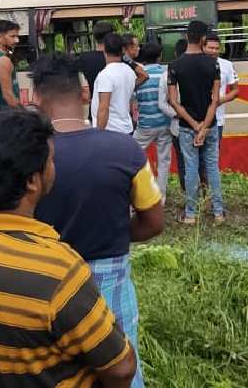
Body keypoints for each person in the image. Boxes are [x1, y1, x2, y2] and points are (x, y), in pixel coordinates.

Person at [0, 110, 136, 387]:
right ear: (31, 181)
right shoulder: (58, 270)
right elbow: (120, 368)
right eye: (50, 160)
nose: (53, 166)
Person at [32, 54, 163, 388]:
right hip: (111, 283)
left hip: (45, 282)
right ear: (85, 93)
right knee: (120, 361)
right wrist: (117, 232)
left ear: (35, 98)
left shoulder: (28, 156)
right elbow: (153, 222)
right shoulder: (125, 150)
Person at [168, 20, 222, 224]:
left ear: (186, 37)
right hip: (210, 125)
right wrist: (205, 126)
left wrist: (194, 125)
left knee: (190, 168)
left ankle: (190, 214)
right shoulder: (213, 63)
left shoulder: (174, 65)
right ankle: (218, 212)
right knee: (212, 167)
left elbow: (173, 101)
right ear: (202, 39)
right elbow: (215, 99)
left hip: (186, 127)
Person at [133, 43, 174, 200]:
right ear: (160, 56)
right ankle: (160, 197)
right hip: (165, 124)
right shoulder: (165, 74)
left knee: (132, 156)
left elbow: (133, 100)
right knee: (163, 161)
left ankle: (137, 195)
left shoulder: (139, 76)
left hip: (145, 126)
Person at [203, 32, 239, 164]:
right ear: (203, 47)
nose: (214, 51)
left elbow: (235, 91)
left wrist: (218, 101)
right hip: (195, 120)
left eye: (217, 48)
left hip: (216, 120)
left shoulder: (227, 65)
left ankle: (209, 184)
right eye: (210, 48)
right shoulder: (195, 63)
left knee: (212, 157)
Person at [93, 32, 137, 134]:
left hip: (111, 131)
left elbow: (103, 108)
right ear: (122, 50)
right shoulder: (129, 71)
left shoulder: (105, 75)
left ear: (104, 50)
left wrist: (99, 135)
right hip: (127, 128)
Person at [166, 38, 189, 194]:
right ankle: (202, 192)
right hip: (197, 122)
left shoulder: (171, 69)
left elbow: (168, 101)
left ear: (175, 52)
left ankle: (186, 191)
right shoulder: (203, 66)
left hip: (178, 124)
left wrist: (177, 114)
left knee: (182, 160)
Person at [78, 21, 115, 107]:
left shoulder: (83, 58)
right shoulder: (116, 58)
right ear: (111, 37)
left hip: (93, 107)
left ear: (94, 37)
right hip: (114, 107)